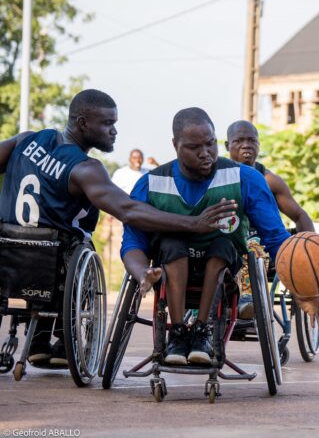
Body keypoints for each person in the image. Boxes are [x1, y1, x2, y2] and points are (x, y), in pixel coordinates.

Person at [0, 89, 236, 367]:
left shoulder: (25, 140)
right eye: (108, 123)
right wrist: (193, 223)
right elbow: (128, 210)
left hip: (9, 249)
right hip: (53, 258)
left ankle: (39, 337)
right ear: (83, 123)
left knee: (53, 244)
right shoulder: (85, 168)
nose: (114, 132)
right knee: (77, 244)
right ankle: (64, 341)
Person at [120, 108, 319, 366]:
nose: (205, 153)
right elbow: (133, 242)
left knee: (221, 243)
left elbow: (275, 239)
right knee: (173, 243)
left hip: (223, 269)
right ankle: (177, 333)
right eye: (194, 147)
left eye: (210, 144)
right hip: (171, 266)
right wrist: (142, 273)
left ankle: (201, 330)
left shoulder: (246, 178)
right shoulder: (151, 183)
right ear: (175, 146)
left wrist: (305, 289)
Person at [225, 120, 315, 318]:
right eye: (239, 140)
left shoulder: (269, 180)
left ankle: (248, 299)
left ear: (258, 145)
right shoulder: (218, 175)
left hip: (261, 245)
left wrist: (310, 252)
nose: (246, 145)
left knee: (253, 248)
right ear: (227, 146)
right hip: (226, 241)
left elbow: (300, 216)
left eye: (251, 140)